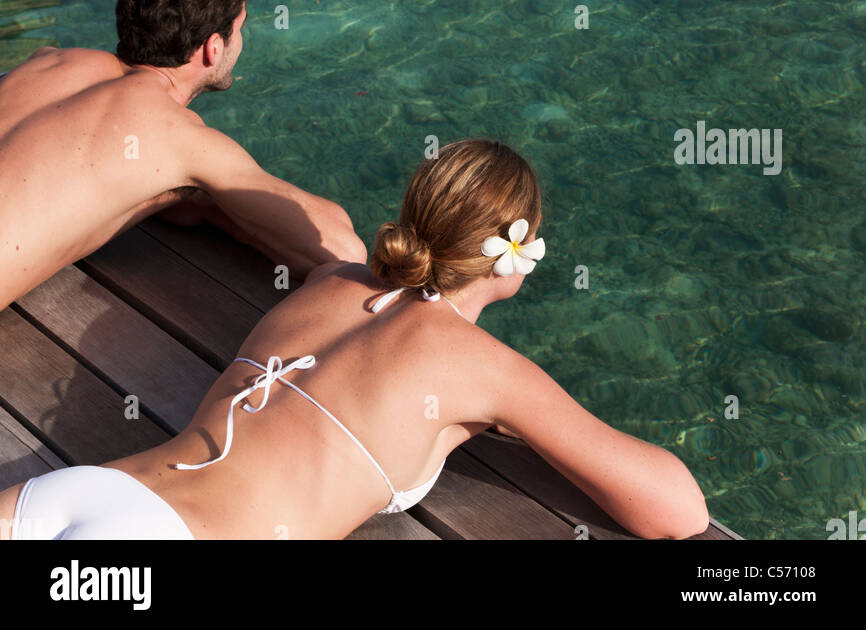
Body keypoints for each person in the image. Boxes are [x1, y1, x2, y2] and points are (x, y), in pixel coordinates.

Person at [0, 140, 709, 541]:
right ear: (511, 258)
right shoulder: (487, 370)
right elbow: (678, 511)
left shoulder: (332, 281)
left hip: (86, 490)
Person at [0, 0, 365, 314]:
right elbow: (342, 250)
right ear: (214, 47)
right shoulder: (179, 138)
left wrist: (183, 197)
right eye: (239, 27)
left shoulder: (47, 61)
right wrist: (198, 196)